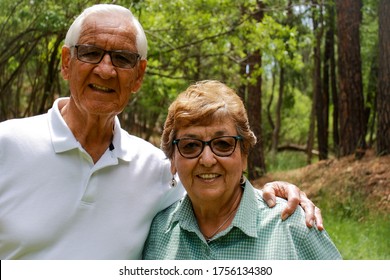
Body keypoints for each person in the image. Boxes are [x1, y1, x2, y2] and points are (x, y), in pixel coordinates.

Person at [0, 4, 321, 260]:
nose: (106, 69)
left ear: (138, 76)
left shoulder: (158, 170)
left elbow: (217, 180)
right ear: (67, 61)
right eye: (91, 52)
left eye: (122, 58)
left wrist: (275, 192)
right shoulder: (7, 145)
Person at [142, 80, 342, 260]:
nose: (207, 159)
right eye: (190, 146)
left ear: (244, 154)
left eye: (222, 144)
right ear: (173, 160)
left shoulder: (293, 226)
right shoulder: (159, 232)